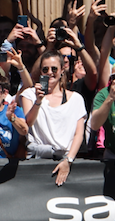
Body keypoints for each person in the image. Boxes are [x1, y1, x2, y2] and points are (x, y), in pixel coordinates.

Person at [18, 51, 88, 185]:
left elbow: (79, 134)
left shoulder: (76, 99)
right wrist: (38, 101)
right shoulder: (30, 94)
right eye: (45, 69)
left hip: (65, 160)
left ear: (62, 70)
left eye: (54, 69)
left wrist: (69, 160)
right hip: (37, 160)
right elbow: (28, 123)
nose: (50, 72)